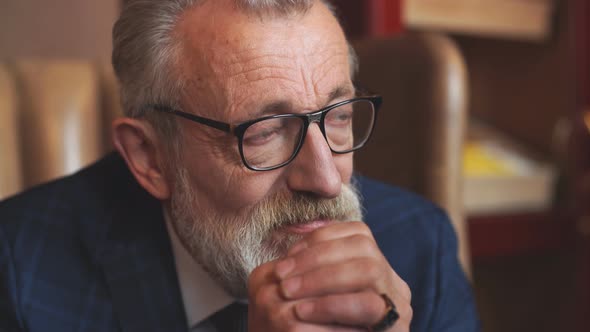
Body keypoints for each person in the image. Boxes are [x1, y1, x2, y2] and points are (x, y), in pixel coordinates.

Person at [0, 0, 479, 331]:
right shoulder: (22, 270)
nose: (328, 179)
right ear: (151, 157)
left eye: (339, 117)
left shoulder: (419, 245)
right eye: (265, 132)